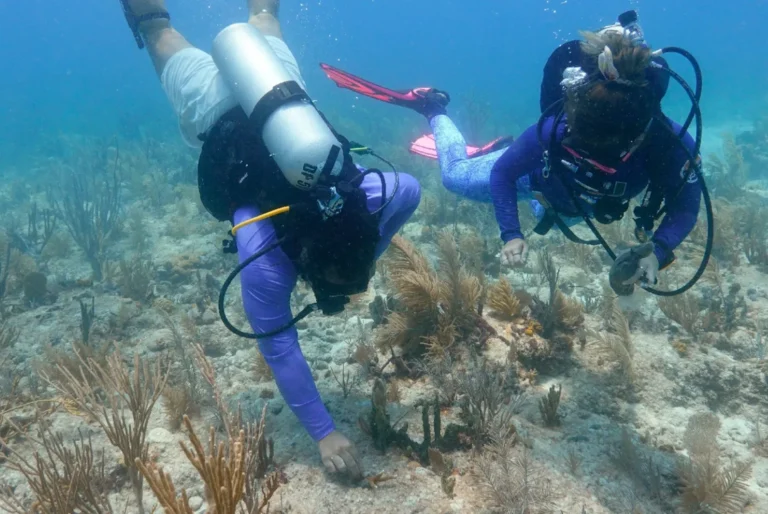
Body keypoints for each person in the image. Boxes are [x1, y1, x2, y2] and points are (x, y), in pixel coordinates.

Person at [119, 0, 422, 480]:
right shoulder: (265, 259)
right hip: (216, 106)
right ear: (299, 262)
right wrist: (324, 433)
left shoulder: (369, 196)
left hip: (275, 87)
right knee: (163, 37)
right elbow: (280, 349)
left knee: (260, 23)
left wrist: (371, 247)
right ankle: (151, 17)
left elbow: (409, 189)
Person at [323, 12, 702, 295]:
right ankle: (433, 108)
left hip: (571, 197)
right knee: (454, 176)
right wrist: (510, 234)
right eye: (583, 142)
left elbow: (686, 205)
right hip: (535, 175)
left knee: (558, 208)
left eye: (611, 148)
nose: (593, 151)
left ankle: (531, 182)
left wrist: (659, 251)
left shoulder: (670, 145)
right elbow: (504, 174)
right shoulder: (559, 127)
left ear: (641, 131)